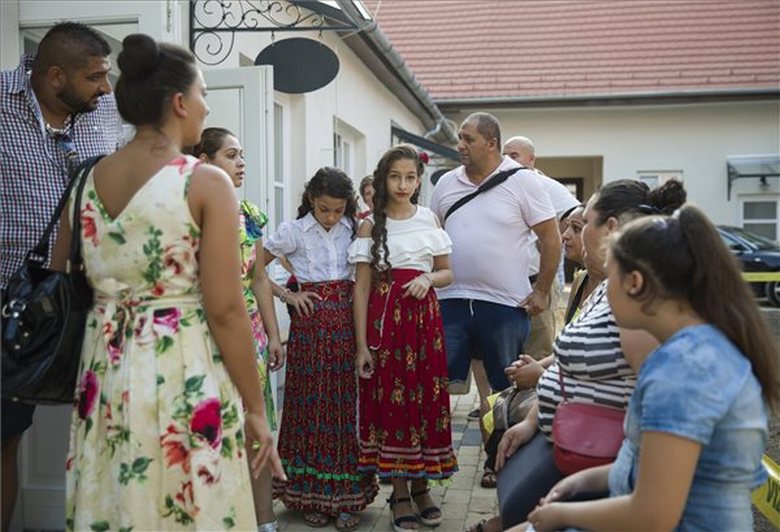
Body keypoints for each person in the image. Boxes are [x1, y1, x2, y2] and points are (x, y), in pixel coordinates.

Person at [51, 33, 284, 530]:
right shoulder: (203, 182)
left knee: (122, 501)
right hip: (183, 365)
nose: (205, 107)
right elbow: (224, 308)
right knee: (190, 505)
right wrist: (256, 407)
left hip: (106, 372)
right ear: (179, 103)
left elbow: (63, 275)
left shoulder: (84, 181)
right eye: (203, 95)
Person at [522, 205, 779, 532]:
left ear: (635, 283)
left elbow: (652, 517)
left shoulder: (683, 373)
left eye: (609, 278)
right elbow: (645, 464)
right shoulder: (691, 352)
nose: (604, 292)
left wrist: (559, 516)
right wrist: (579, 483)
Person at [471, 179, 686, 532]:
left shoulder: (636, 302)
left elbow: (652, 410)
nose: (572, 233)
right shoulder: (605, 288)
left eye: (584, 223)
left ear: (611, 228)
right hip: (570, 447)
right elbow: (570, 367)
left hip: (599, 457)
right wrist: (531, 421)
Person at [0, 21, 123, 531]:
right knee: (4, 435)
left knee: (114, 433)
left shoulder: (113, 115)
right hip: (14, 311)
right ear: (55, 77)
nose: (106, 88)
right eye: (96, 76)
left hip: (100, 309)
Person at [350, 144, 457, 532]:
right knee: (392, 407)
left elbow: (447, 272)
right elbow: (361, 289)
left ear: (418, 180)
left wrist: (427, 278)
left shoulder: (429, 219)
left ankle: (422, 486)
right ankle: (398, 492)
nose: (403, 184)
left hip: (424, 328)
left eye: (410, 177)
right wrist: (362, 345)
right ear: (383, 178)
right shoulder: (368, 225)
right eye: (395, 176)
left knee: (426, 402)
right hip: (385, 329)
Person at [264, 169, 377, 531]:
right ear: (312, 198)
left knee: (344, 407)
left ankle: (347, 496)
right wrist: (289, 294)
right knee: (308, 405)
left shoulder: (354, 229)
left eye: (338, 209)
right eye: (325, 209)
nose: (330, 217)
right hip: (309, 329)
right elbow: (253, 271)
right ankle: (308, 494)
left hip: (347, 326)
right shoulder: (292, 231)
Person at [190, 127, 284, 532]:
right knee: (211, 432)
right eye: (231, 155)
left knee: (256, 431)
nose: (241, 162)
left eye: (242, 155)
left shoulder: (249, 216)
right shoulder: (188, 213)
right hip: (205, 334)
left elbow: (259, 278)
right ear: (206, 162)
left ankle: (265, 522)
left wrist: (275, 334)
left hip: (252, 336)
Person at [429, 112, 561, 401]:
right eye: (460, 138)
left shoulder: (524, 182)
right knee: (440, 386)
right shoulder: (445, 184)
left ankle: (505, 444)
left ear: (491, 144)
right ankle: (439, 447)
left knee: (507, 389)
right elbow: (432, 238)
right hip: (450, 301)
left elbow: (551, 239)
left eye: (468, 139)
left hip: (505, 304)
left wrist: (541, 292)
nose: (460, 145)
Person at [502, 135, 578, 361]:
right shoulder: (499, 187)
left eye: (514, 155)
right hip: (503, 287)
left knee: (537, 353)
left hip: (537, 283)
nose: (508, 160)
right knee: (502, 359)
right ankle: (498, 399)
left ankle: (535, 397)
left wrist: (548, 237)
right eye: (504, 155)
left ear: (531, 159)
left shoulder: (545, 185)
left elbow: (577, 216)